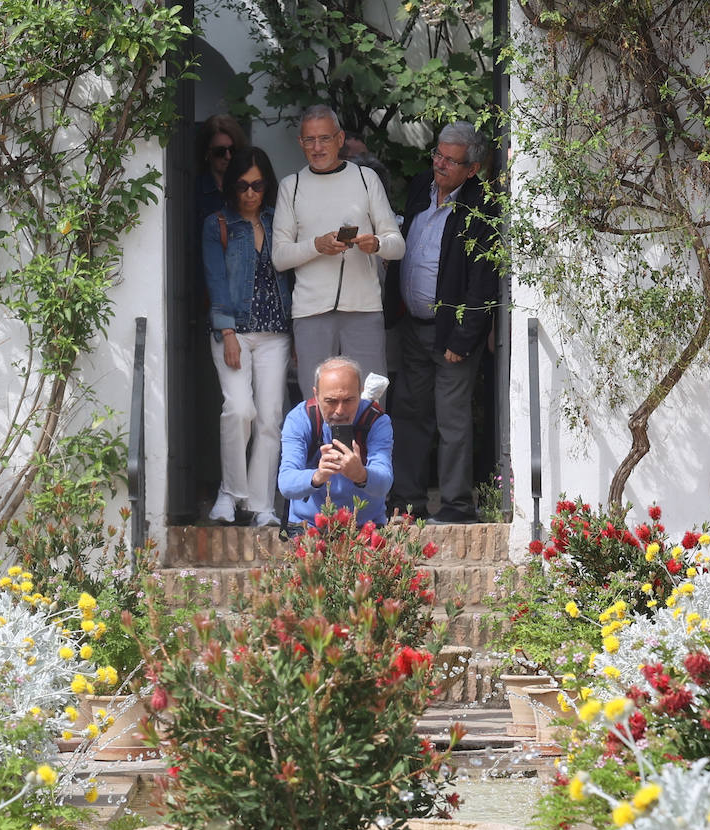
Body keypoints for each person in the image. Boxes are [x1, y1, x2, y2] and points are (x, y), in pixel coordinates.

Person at [385, 121, 497, 523]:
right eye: (437, 155)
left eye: (451, 160)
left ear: (472, 168)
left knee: (452, 422)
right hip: (412, 327)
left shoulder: (482, 206)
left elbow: (484, 278)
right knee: (409, 416)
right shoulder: (420, 188)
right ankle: (407, 502)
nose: (440, 164)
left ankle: (455, 507)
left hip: (452, 333)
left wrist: (465, 335)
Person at [272, 106, 405, 399]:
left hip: (363, 309)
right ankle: (324, 448)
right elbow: (279, 257)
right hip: (310, 312)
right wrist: (316, 246)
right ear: (300, 143)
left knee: (370, 401)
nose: (317, 147)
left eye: (325, 138)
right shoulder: (290, 187)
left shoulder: (365, 178)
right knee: (318, 405)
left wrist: (377, 244)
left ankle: (367, 449)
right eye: (309, 140)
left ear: (340, 138)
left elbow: (397, 245)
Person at [201, 147, 292, 527]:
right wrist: (227, 330)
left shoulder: (279, 221)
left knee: (271, 418)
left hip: (276, 332)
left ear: (266, 185)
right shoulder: (218, 223)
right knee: (240, 409)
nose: (250, 193)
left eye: (257, 185)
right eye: (242, 185)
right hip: (234, 330)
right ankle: (230, 493)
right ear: (231, 185)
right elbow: (215, 280)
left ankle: (261, 505)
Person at [278, 356, 392, 527]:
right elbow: (286, 483)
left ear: (360, 393)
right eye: (331, 401)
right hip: (310, 526)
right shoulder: (300, 418)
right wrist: (318, 476)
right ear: (316, 395)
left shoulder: (376, 420)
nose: (340, 411)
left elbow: (384, 482)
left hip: (364, 526)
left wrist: (361, 474)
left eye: (348, 400)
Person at [195, 114, 249, 230]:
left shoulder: (252, 187)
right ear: (207, 153)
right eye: (220, 151)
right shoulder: (194, 191)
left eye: (233, 150)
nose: (228, 156)